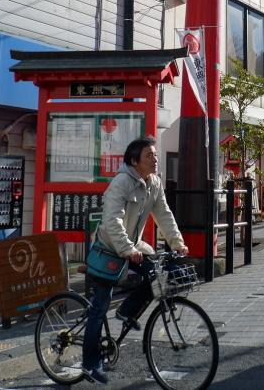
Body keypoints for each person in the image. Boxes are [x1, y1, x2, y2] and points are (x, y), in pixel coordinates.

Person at [82, 136, 188, 383]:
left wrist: (177, 242)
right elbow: (112, 220)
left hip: (133, 245)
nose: (154, 159)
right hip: (109, 248)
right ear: (134, 161)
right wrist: (127, 249)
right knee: (99, 306)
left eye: (155, 155)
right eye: (149, 156)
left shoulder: (154, 183)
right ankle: (89, 363)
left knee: (157, 274)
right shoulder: (121, 183)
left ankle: (127, 311)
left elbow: (164, 214)